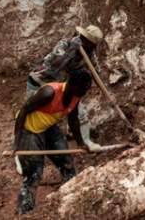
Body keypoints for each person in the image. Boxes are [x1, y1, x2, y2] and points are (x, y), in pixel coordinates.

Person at [10, 68, 94, 216]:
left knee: (67, 163)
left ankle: (75, 201)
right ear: (74, 86)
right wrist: (17, 142)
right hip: (29, 130)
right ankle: (26, 213)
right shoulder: (49, 93)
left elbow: (73, 119)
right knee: (33, 175)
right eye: (83, 90)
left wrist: (81, 143)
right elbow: (23, 111)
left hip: (48, 128)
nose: (85, 93)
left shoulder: (75, 96)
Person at [27, 26, 105, 152]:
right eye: (90, 45)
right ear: (82, 38)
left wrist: (108, 92)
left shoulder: (89, 53)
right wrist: (72, 50)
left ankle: (85, 141)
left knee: (79, 113)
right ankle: (26, 149)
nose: (92, 49)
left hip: (61, 87)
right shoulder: (65, 44)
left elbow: (96, 73)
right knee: (34, 115)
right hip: (39, 83)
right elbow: (55, 67)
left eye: (93, 46)